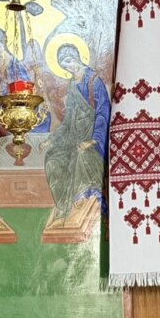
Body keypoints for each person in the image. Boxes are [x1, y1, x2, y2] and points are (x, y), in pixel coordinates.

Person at [41, 44, 109, 225]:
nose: (68, 67)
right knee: (53, 159)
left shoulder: (94, 81)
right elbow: (68, 120)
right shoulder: (72, 84)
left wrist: (94, 140)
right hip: (74, 138)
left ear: (78, 58)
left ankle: (80, 203)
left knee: (81, 156)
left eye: (70, 61)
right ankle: (63, 207)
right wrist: (52, 139)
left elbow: (103, 113)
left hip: (95, 141)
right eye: (64, 64)